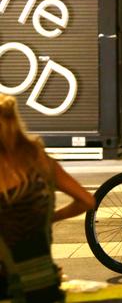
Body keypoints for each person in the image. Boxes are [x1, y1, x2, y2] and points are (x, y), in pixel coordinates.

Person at [0, 94, 95, 303]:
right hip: (44, 282)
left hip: (6, 285)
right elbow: (87, 200)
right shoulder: (40, 161)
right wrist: (51, 216)